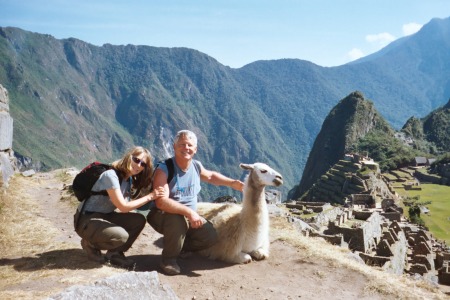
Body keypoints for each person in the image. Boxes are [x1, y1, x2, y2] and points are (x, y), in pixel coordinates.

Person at [147, 130, 244, 275]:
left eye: (189, 145)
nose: (186, 148)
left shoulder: (196, 166)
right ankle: (168, 260)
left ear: (195, 149)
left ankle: (181, 247)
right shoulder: (165, 169)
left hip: (187, 216)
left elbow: (211, 177)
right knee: (177, 220)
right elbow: (161, 202)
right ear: (174, 146)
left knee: (210, 237)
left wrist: (233, 183)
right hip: (163, 215)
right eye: (182, 144)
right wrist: (190, 212)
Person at [74, 146, 165, 269]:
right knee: (121, 236)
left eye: (143, 164)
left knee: (138, 220)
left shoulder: (127, 179)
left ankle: (115, 254)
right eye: (136, 160)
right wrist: (151, 196)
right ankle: (90, 244)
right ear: (129, 157)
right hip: (87, 220)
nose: (138, 165)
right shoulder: (110, 176)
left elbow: (128, 202)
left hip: (105, 215)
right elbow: (123, 207)